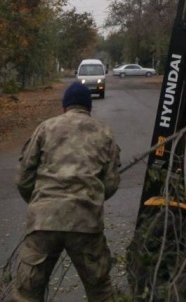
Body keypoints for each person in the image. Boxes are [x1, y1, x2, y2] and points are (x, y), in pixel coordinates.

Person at [13, 81, 120, 302]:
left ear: (65, 107)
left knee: (27, 294)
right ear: (89, 108)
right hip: (85, 223)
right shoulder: (104, 133)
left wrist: (39, 202)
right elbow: (110, 183)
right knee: (100, 292)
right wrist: (90, 197)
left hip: (44, 221)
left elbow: (23, 178)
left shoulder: (45, 128)